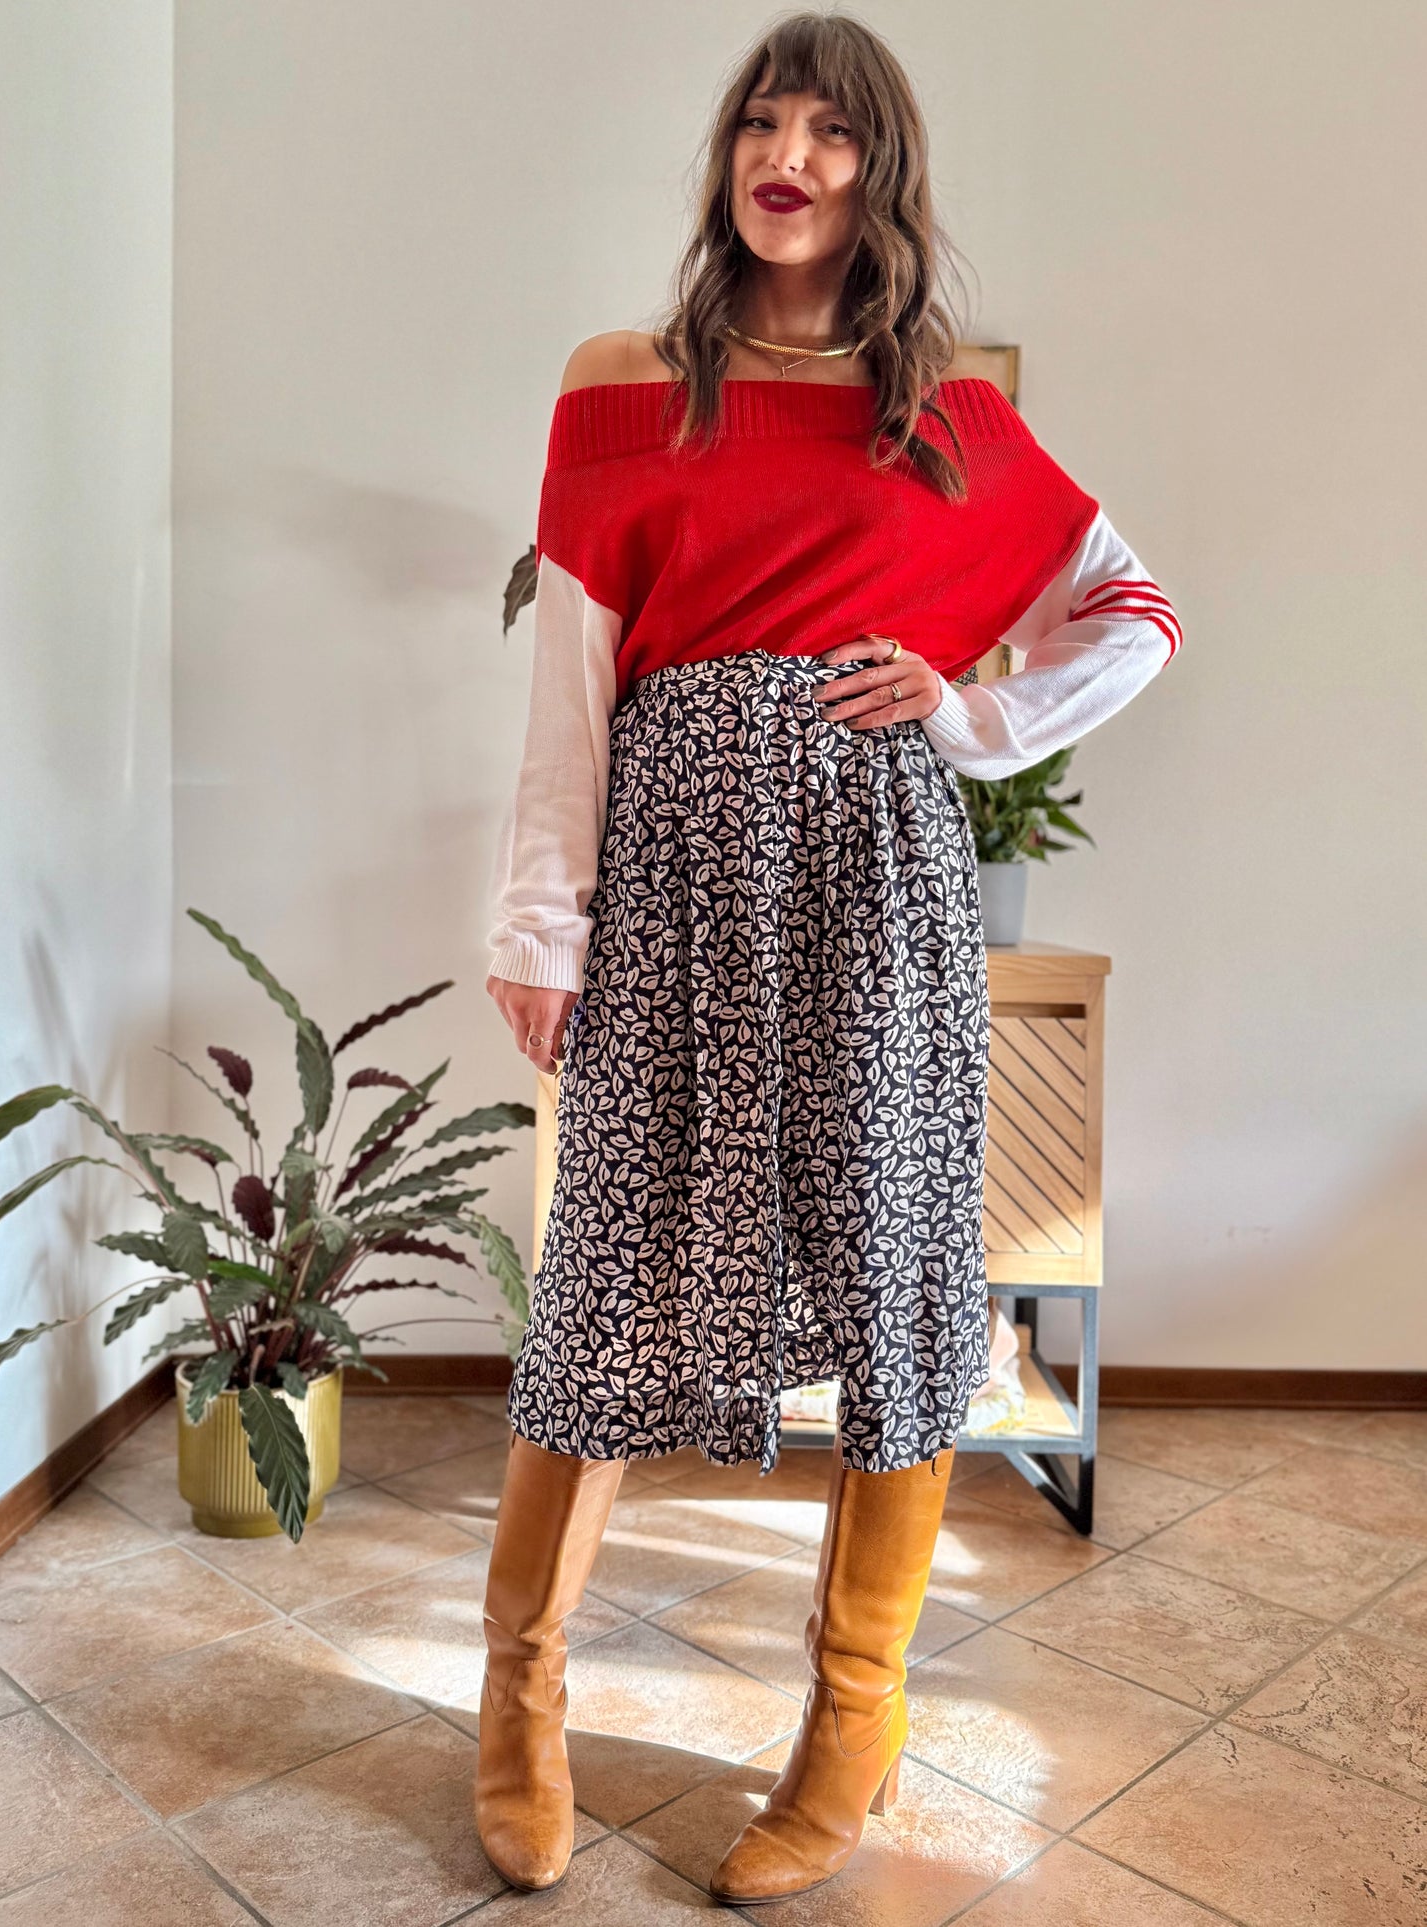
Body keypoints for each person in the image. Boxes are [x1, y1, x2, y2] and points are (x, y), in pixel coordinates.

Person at [476, 8, 1181, 1905]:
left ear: (882, 174)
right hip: (674, 874)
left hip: (878, 884)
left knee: (893, 1286)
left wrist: (965, 714)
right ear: (725, 161)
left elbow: (1134, 607)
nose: (788, 157)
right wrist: (542, 922)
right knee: (607, 1278)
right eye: (759, 126)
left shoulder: (939, 413)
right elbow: (569, 687)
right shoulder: (622, 386)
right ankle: (519, 1697)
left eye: (831, 134)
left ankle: (847, 1727)